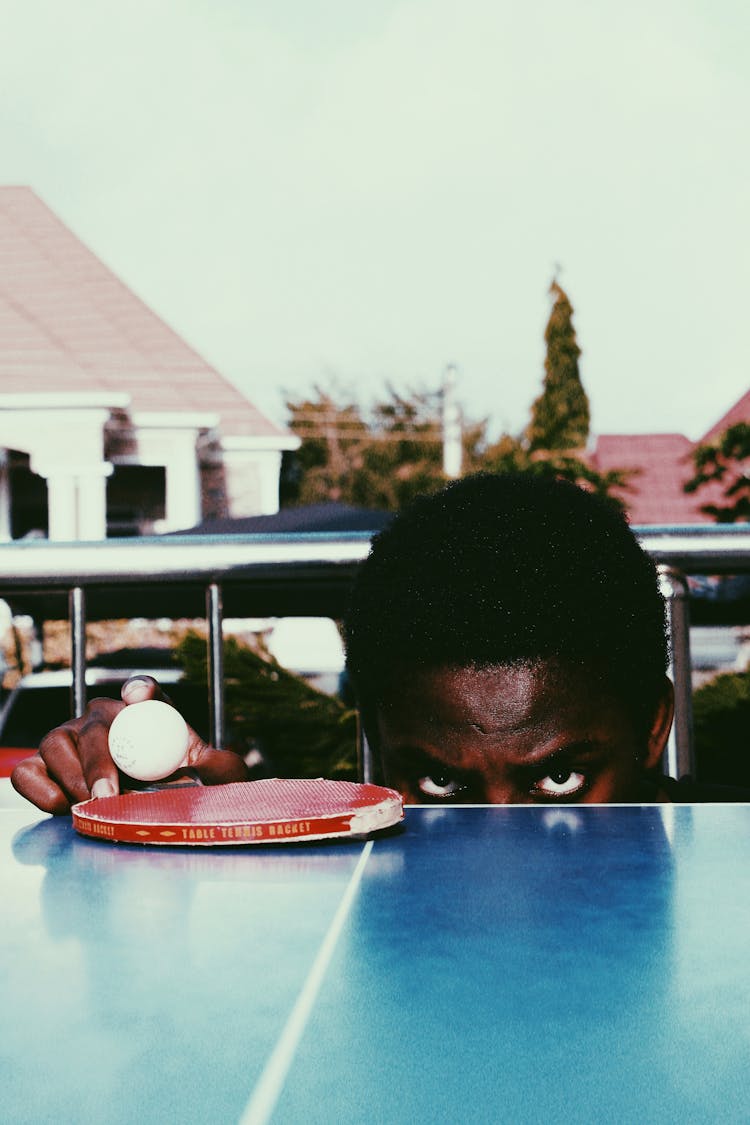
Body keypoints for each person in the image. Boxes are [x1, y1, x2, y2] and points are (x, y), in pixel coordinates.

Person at [9, 472, 731, 813]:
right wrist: (160, 811)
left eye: (560, 780)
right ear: (380, 744)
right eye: (444, 785)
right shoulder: (364, 862)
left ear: (652, 729)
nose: (500, 856)